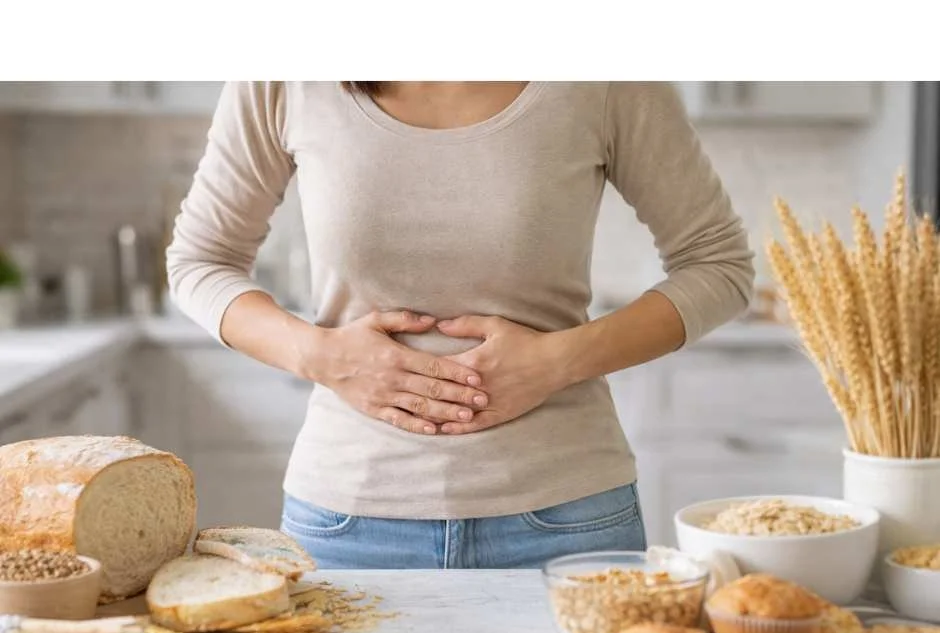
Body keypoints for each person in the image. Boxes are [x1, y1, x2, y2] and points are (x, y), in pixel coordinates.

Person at [166, 81, 754, 569]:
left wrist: (557, 362)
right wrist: (324, 357)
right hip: (347, 522)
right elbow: (199, 262)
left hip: (568, 518)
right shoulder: (285, 76)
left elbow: (718, 264)